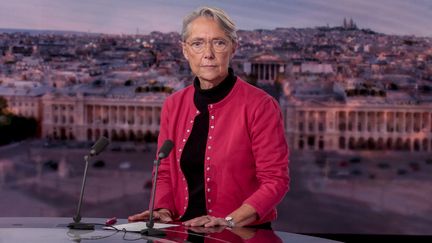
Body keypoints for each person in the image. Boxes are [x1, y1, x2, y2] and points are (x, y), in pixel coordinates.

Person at [128, 6, 289, 228]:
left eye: (219, 42)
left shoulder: (261, 106)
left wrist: (230, 221)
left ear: (234, 47)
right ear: (185, 50)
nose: (208, 54)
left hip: (240, 235)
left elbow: (275, 180)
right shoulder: (173, 105)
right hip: (183, 231)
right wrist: (162, 209)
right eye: (197, 43)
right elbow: (164, 172)